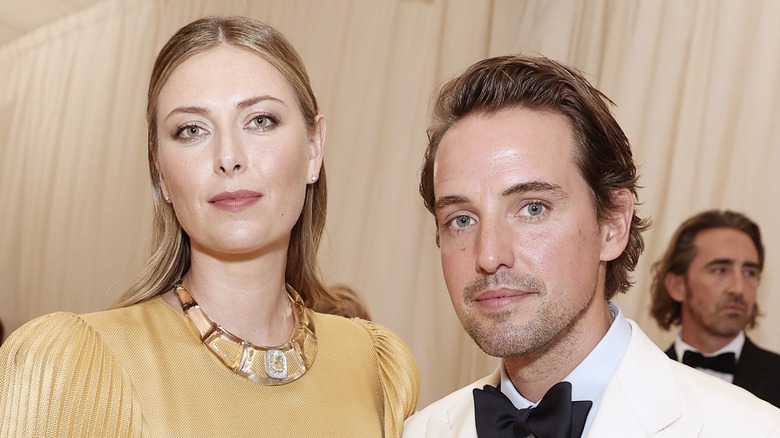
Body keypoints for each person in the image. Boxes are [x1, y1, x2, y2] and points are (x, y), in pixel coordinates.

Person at [0, 16, 418, 437]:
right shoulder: (72, 368)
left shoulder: (377, 367)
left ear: (314, 148)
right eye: (192, 130)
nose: (229, 156)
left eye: (260, 121)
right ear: (160, 171)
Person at [402, 54, 780, 437]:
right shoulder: (418, 432)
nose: (489, 256)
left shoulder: (752, 428)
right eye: (461, 219)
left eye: (533, 208)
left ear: (613, 224)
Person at [650, 209, 780, 408]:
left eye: (749, 272)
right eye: (720, 270)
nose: (738, 288)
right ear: (678, 286)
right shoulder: (641, 377)